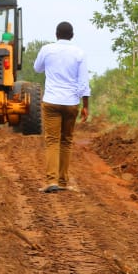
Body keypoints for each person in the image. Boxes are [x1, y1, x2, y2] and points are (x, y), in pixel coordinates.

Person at [33, 21, 90, 193]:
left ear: (56, 34)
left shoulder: (47, 49)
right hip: (71, 102)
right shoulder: (79, 53)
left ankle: (51, 181)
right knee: (66, 141)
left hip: (51, 101)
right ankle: (63, 182)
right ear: (72, 35)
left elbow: (37, 69)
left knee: (52, 141)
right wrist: (85, 105)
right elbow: (83, 82)